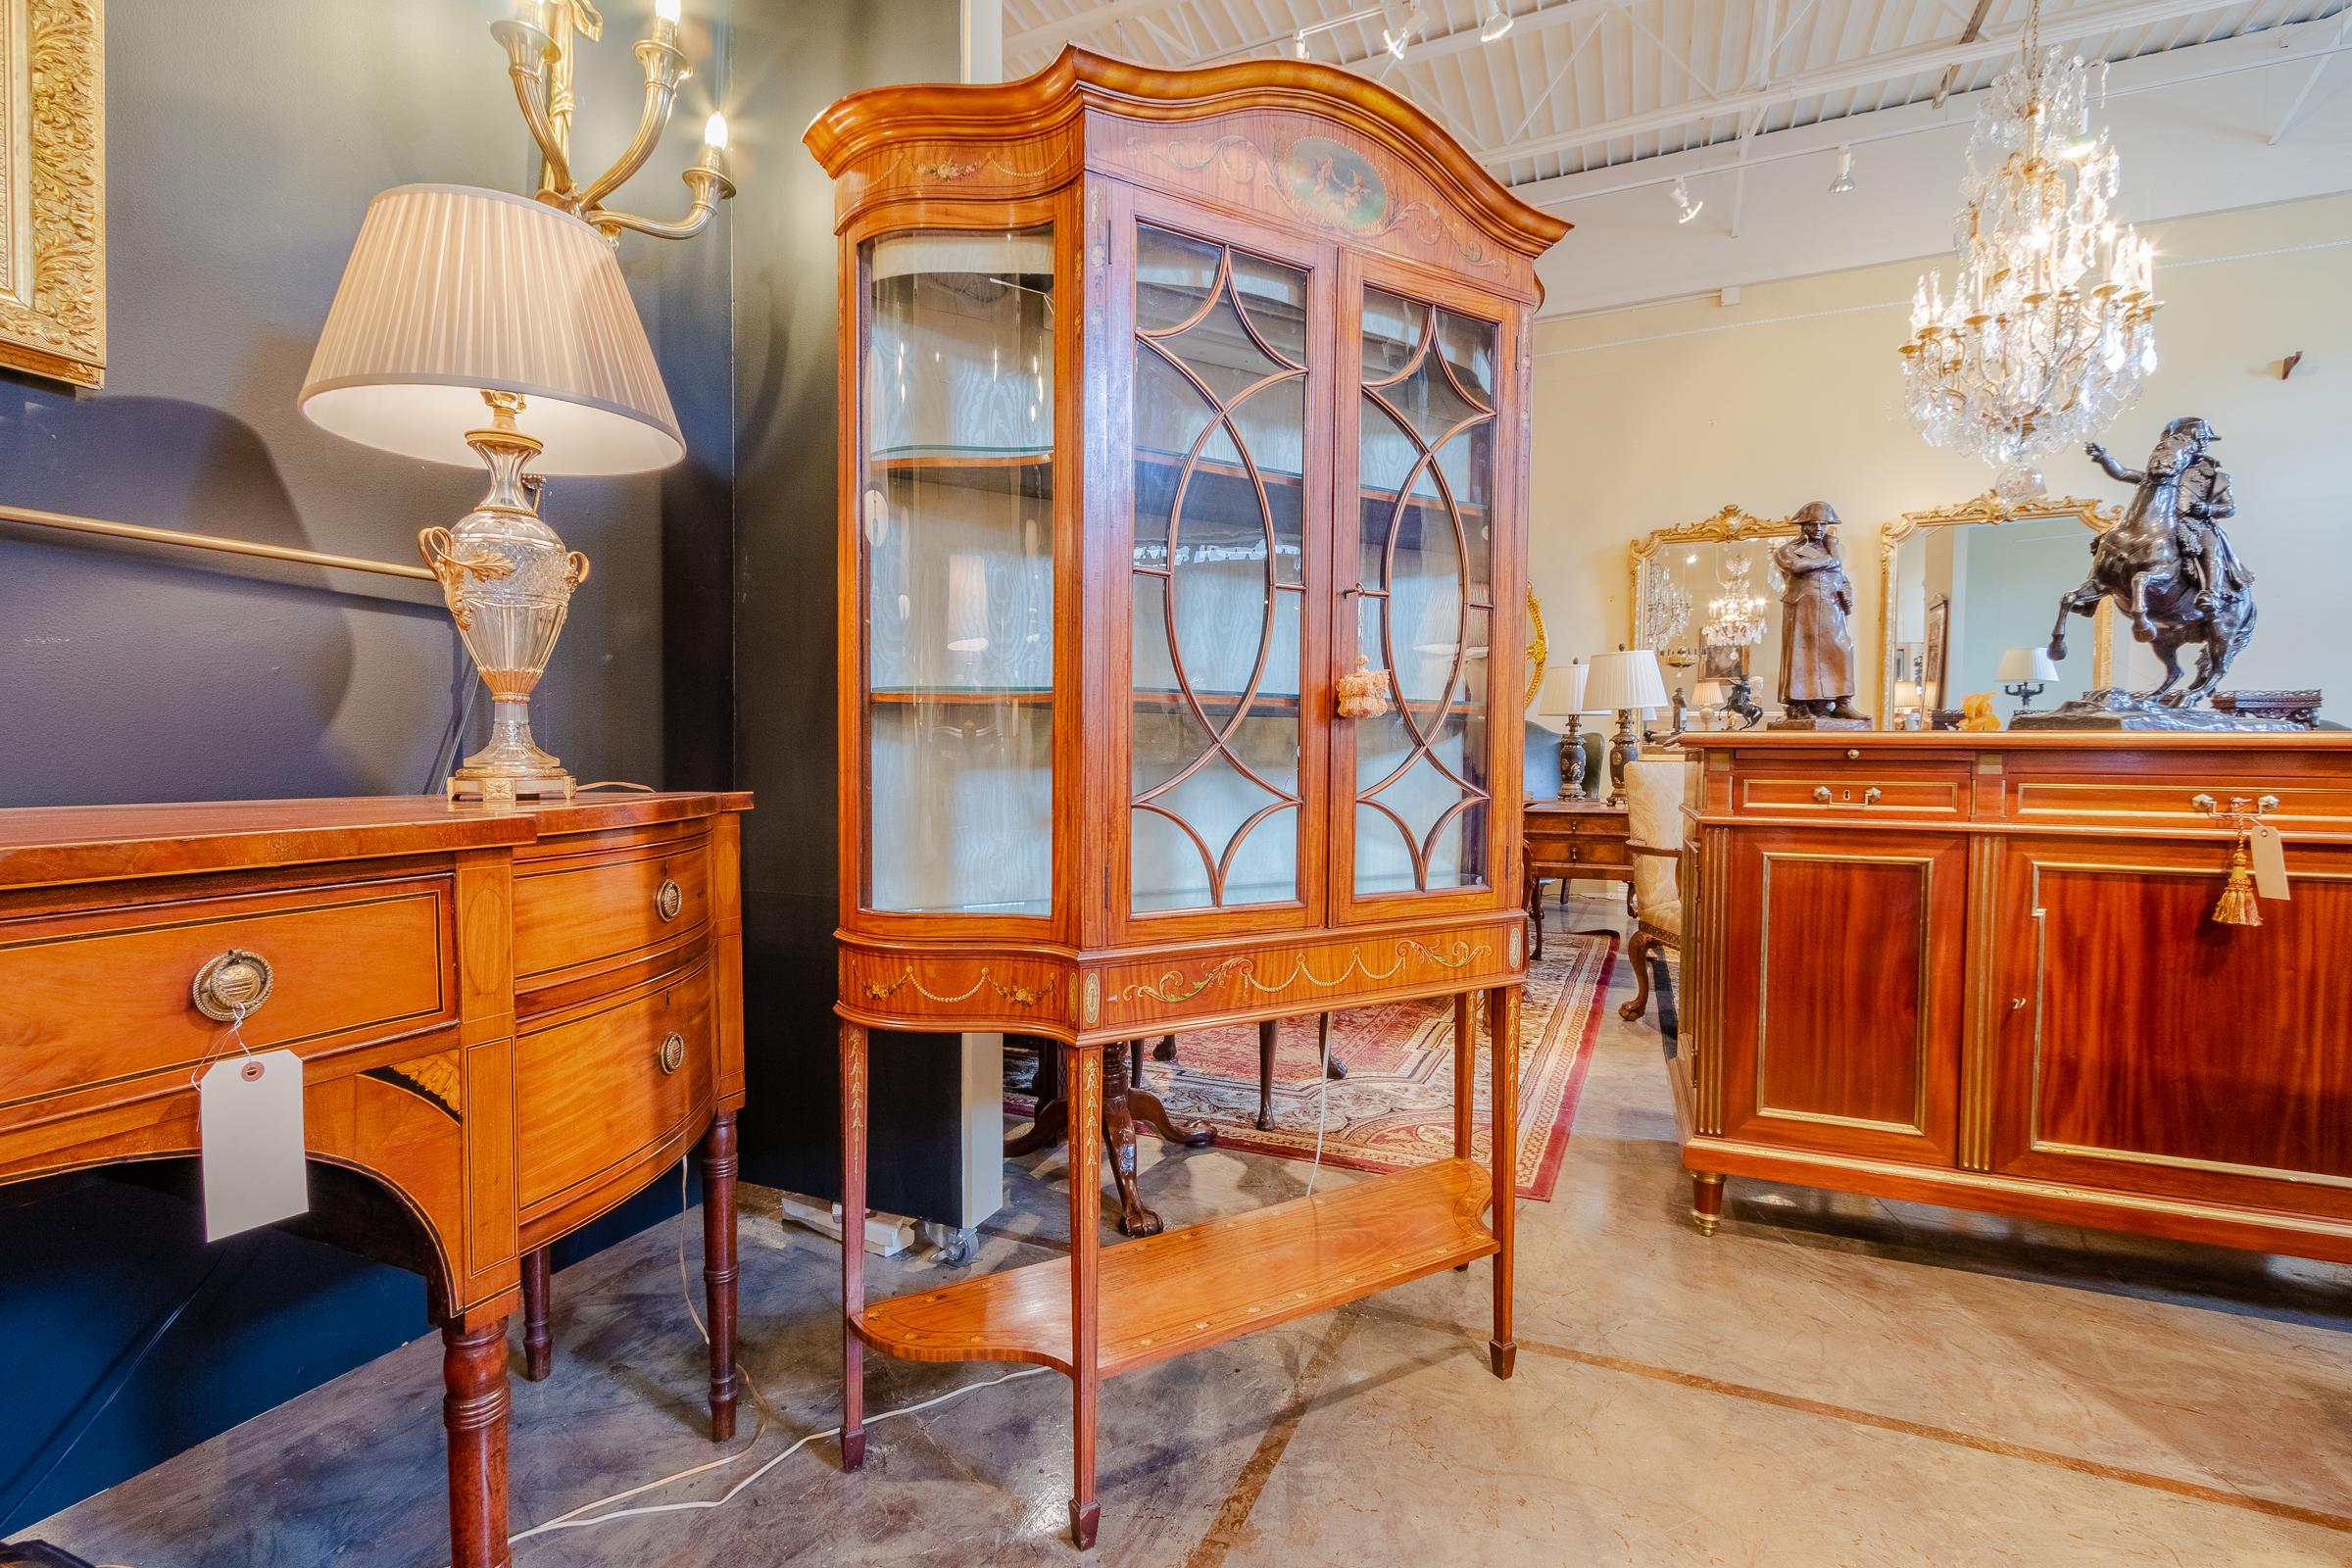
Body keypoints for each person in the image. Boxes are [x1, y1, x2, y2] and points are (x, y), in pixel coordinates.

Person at [1773, 502, 1865, 721]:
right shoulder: (1787, 550)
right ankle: (1800, 704)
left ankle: (1842, 701)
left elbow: (1842, 577)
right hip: (1804, 607)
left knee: (1842, 650)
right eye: (1814, 524)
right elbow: (1796, 567)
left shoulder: (1832, 548)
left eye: (1823, 524)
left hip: (1832, 607)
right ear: (1803, 526)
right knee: (1802, 654)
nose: (1819, 528)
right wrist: (1830, 559)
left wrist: (1847, 591)